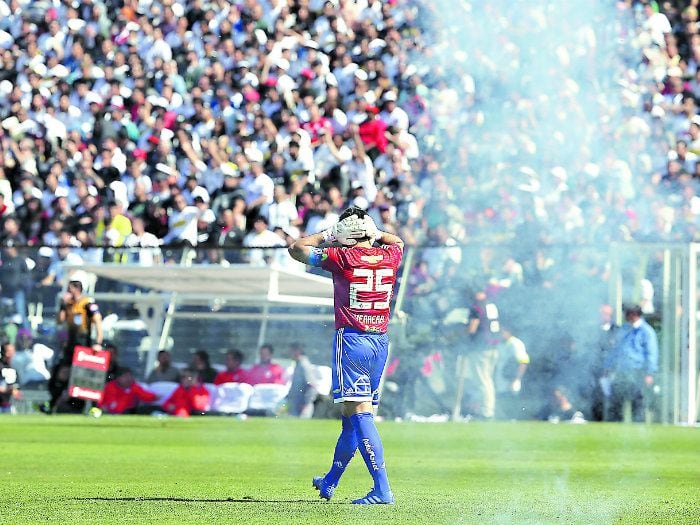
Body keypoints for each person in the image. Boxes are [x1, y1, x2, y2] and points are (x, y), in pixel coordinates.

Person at [288, 206, 403, 505]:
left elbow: (297, 249)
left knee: (360, 414)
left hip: (352, 341)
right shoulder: (390, 256)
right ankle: (330, 481)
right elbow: (398, 242)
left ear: (345, 235)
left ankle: (382, 490)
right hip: (380, 342)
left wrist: (328, 235)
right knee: (351, 419)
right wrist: (376, 233)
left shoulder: (342, 257)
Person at [604, 304, 659, 422]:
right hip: (621, 371)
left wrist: (649, 373)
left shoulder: (646, 332)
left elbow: (651, 354)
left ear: (634, 315)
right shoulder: (623, 329)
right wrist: (608, 367)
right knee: (616, 401)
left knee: (637, 402)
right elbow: (615, 350)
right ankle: (615, 425)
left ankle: (638, 426)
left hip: (637, 371)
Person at [465, 287, 500, 420]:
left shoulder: (477, 307)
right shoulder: (491, 305)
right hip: (493, 346)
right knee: (487, 379)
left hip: (481, 348)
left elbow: (472, 328)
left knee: (482, 380)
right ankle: (485, 409)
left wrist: (456, 334)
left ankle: (486, 412)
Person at [57, 279, 103, 364]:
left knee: (80, 365)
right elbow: (60, 321)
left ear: (77, 290)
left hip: (83, 340)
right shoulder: (69, 305)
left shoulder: (87, 304)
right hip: (70, 340)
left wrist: (98, 343)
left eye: (69, 289)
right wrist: (62, 305)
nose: (68, 292)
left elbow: (98, 322)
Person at [494, 325, 529, 420]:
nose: (500, 334)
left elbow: (523, 362)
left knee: (510, 404)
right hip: (499, 381)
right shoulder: (499, 344)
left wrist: (516, 379)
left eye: (502, 331)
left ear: (508, 331)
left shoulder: (516, 343)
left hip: (510, 381)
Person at [287, 344, 319, 419]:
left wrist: (305, 403)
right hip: (296, 405)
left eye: (291, 351)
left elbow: (312, 386)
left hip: (302, 407)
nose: (289, 353)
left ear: (297, 352)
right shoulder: (297, 364)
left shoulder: (304, 365)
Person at [0, 343, 19, 413]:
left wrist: (15, 391)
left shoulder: (14, 367)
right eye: (9, 351)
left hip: (9, 404)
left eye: (13, 351)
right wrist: (5, 390)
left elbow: (17, 387)